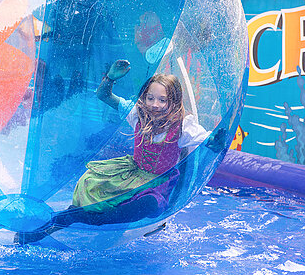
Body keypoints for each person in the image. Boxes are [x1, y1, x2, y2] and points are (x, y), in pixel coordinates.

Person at [15, 59, 217, 245]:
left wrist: (217, 139)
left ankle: (94, 221)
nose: (155, 105)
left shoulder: (182, 127)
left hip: (156, 186)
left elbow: (208, 140)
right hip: (129, 176)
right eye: (150, 98)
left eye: (162, 100)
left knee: (136, 209)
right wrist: (110, 78)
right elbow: (103, 95)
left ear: (173, 102)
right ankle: (48, 226)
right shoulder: (137, 115)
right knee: (92, 205)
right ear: (143, 98)